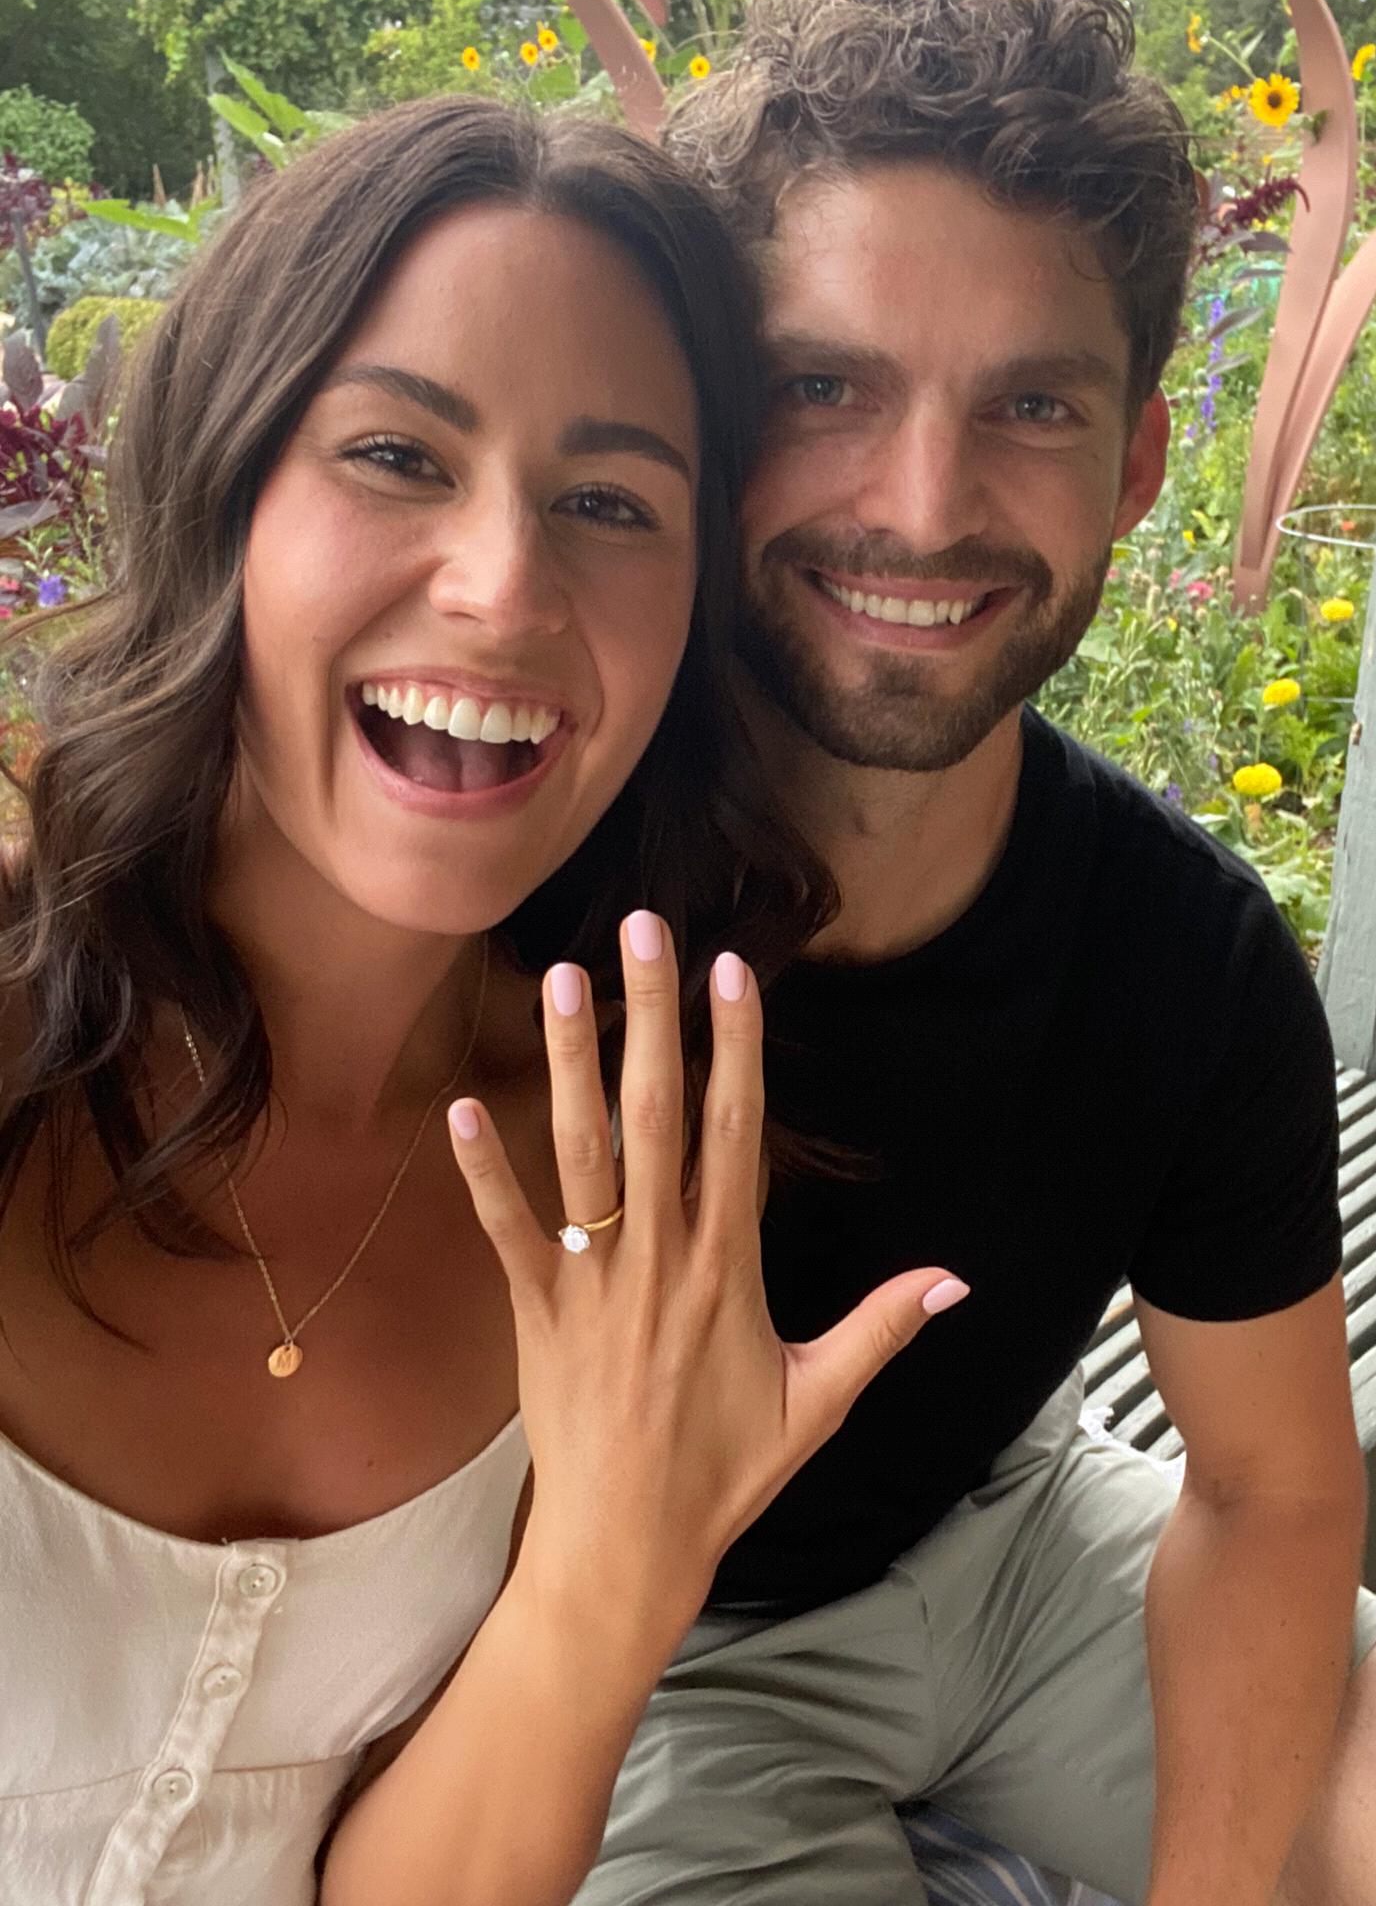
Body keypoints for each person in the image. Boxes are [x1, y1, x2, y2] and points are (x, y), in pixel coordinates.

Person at [558, 0, 1376, 1906]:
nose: (924, 504)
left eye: (1033, 407)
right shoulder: (548, 882)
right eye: (828, 384)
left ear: (1139, 463)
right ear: (717, 416)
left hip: (1022, 1533)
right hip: (647, 1652)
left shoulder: (1188, 955)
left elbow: (1265, 1482)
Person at [0, 95, 967, 1906]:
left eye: (610, 503)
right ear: (227, 483)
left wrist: (619, 1566)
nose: (505, 587)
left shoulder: (624, 1191)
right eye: (396, 455)